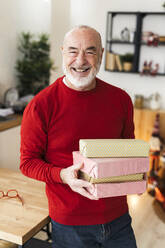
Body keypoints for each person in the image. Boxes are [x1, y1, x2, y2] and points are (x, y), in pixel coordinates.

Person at [20, 25, 137, 248]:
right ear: (63, 52)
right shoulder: (40, 106)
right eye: (73, 50)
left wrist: (136, 171)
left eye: (90, 51)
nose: (81, 60)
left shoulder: (121, 99)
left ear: (101, 54)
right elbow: (27, 163)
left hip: (119, 218)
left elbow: (127, 151)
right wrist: (62, 175)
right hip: (70, 224)